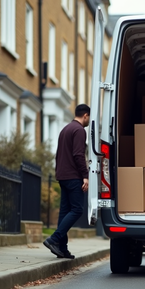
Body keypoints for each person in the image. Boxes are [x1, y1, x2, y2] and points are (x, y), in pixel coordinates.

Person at [43, 104, 90, 259]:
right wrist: (85, 175)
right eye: (89, 118)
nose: (89, 121)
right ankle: (54, 239)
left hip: (63, 176)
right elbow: (78, 155)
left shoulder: (66, 129)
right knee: (77, 210)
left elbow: (59, 154)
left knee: (64, 212)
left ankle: (62, 248)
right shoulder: (79, 130)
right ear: (85, 116)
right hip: (73, 176)